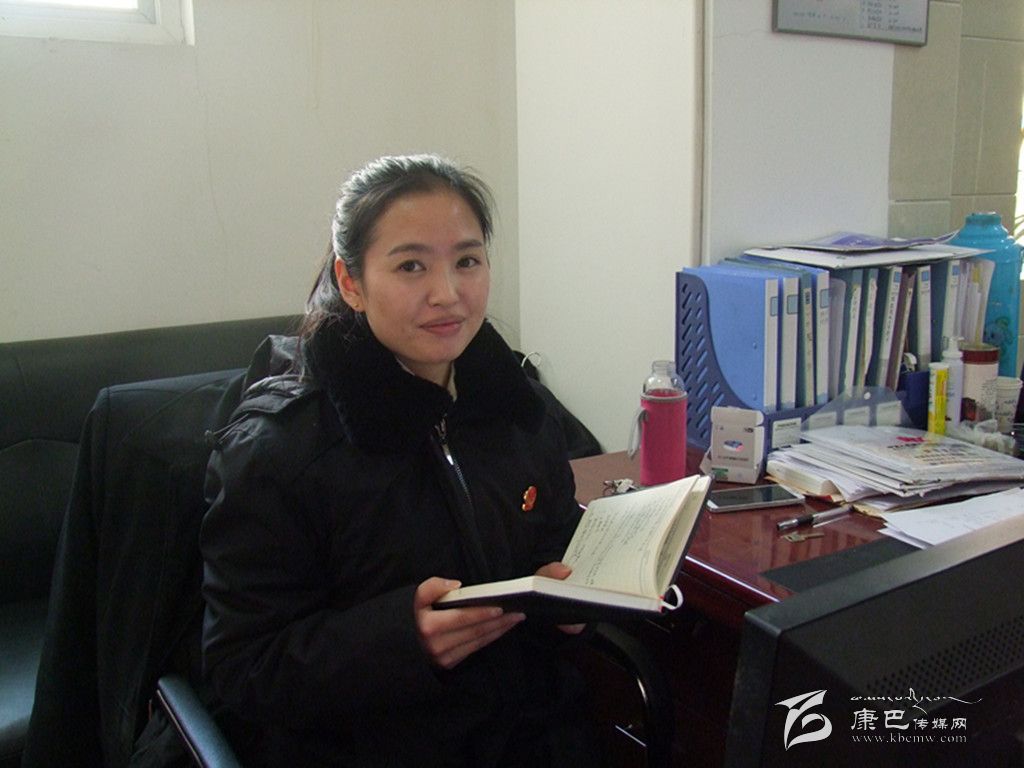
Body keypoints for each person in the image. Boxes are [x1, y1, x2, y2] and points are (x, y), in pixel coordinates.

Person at [200, 154, 599, 766]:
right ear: (352, 282)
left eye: (467, 261)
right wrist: (396, 642)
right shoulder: (278, 450)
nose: (448, 294)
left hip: (529, 734)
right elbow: (241, 667)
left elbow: (556, 534)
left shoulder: (516, 406)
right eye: (411, 265)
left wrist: (569, 594)